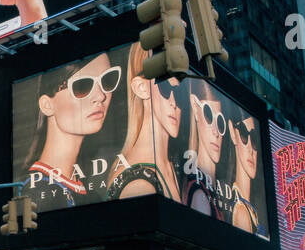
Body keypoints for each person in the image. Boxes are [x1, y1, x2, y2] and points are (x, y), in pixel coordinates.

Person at [20, 52, 118, 210]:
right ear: (47, 105)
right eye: (82, 86)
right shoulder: (38, 193)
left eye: (107, 81)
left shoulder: (89, 193)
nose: (101, 96)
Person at [107, 43, 183, 201]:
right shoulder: (138, 185)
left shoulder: (173, 167)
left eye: (179, 92)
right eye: (165, 88)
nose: (174, 102)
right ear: (141, 88)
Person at [182, 82, 230, 220]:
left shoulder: (213, 193)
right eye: (208, 114)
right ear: (196, 110)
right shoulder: (200, 195)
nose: (216, 132)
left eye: (220, 122)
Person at [230, 110, 267, 236]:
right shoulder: (241, 211)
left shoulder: (250, 208)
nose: (251, 148)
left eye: (255, 139)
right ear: (233, 133)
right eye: (244, 134)